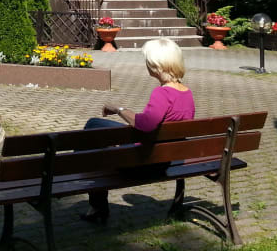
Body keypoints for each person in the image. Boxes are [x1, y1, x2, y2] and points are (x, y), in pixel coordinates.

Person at [80, 37, 195, 224]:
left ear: (157, 65)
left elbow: (145, 124)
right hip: (166, 158)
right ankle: (87, 187)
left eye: (148, 61)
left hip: (145, 163)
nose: (146, 65)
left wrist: (119, 109)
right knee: (94, 124)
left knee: (92, 150)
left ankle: (92, 199)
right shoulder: (186, 93)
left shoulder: (163, 93)